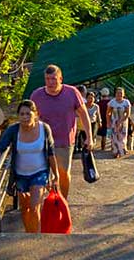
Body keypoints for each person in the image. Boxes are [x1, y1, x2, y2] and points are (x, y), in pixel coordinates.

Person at [0, 100, 59, 233]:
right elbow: (0, 148)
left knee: (34, 207)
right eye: (22, 114)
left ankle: (36, 238)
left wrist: (56, 175)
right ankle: (29, 234)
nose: (25, 117)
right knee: (25, 208)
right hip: (20, 175)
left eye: (28, 113)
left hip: (40, 173)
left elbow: (51, 153)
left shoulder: (44, 129)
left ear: (36, 114)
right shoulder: (13, 130)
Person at [30, 64, 93, 198]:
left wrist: (89, 137)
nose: (50, 82)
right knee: (43, 174)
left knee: (63, 173)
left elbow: (83, 114)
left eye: (54, 79)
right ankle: (47, 201)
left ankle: (63, 200)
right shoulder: (37, 95)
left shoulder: (71, 92)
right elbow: (30, 118)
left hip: (64, 141)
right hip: (43, 142)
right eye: (47, 79)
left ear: (60, 78)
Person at [107, 87, 131, 158]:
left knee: (122, 136)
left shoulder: (126, 102)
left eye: (121, 93)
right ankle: (115, 150)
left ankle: (123, 149)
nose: (119, 94)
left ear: (123, 94)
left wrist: (121, 121)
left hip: (123, 121)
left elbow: (128, 113)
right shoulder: (112, 102)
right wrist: (108, 122)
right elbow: (108, 113)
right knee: (114, 136)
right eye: (118, 93)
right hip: (114, 121)